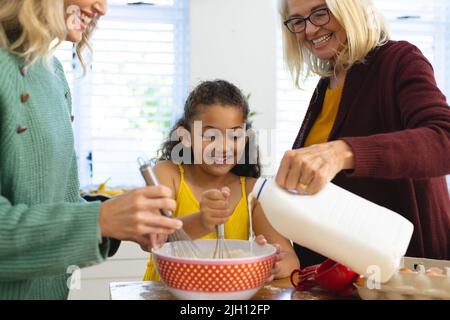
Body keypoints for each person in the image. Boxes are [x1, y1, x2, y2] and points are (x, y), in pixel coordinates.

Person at [0, 0, 182, 300]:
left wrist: (116, 223)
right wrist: (100, 219)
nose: (102, 7)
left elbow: (58, 204)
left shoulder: (52, 70)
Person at [276, 0, 450, 267]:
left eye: (321, 13)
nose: (310, 30)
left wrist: (344, 152)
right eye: (298, 21)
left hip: (406, 274)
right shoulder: (326, 86)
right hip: (343, 278)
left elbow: (443, 140)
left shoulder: (399, 60)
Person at [143, 80, 299, 281]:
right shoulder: (167, 174)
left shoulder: (253, 191)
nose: (223, 147)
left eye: (235, 136)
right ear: (186, 137)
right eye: (210, 136)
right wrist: (202, 221)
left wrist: (271, 263)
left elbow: (291, 261)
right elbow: (153, 236)